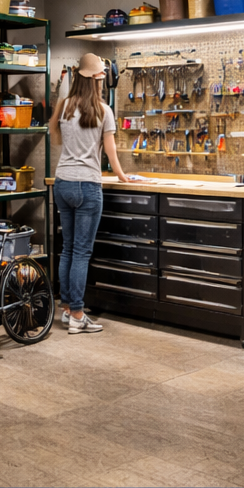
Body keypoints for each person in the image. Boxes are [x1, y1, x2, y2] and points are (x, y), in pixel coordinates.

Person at [48, 52, 143, 334]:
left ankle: (66, 308)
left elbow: (55, 138)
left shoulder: (64, 106)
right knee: (81, 252)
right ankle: (78, 315)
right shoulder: (104, 110)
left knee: (67, 249)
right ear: (98, 80)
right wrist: (123, 176)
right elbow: (110, 152)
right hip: (88, 185)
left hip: (62, 182)